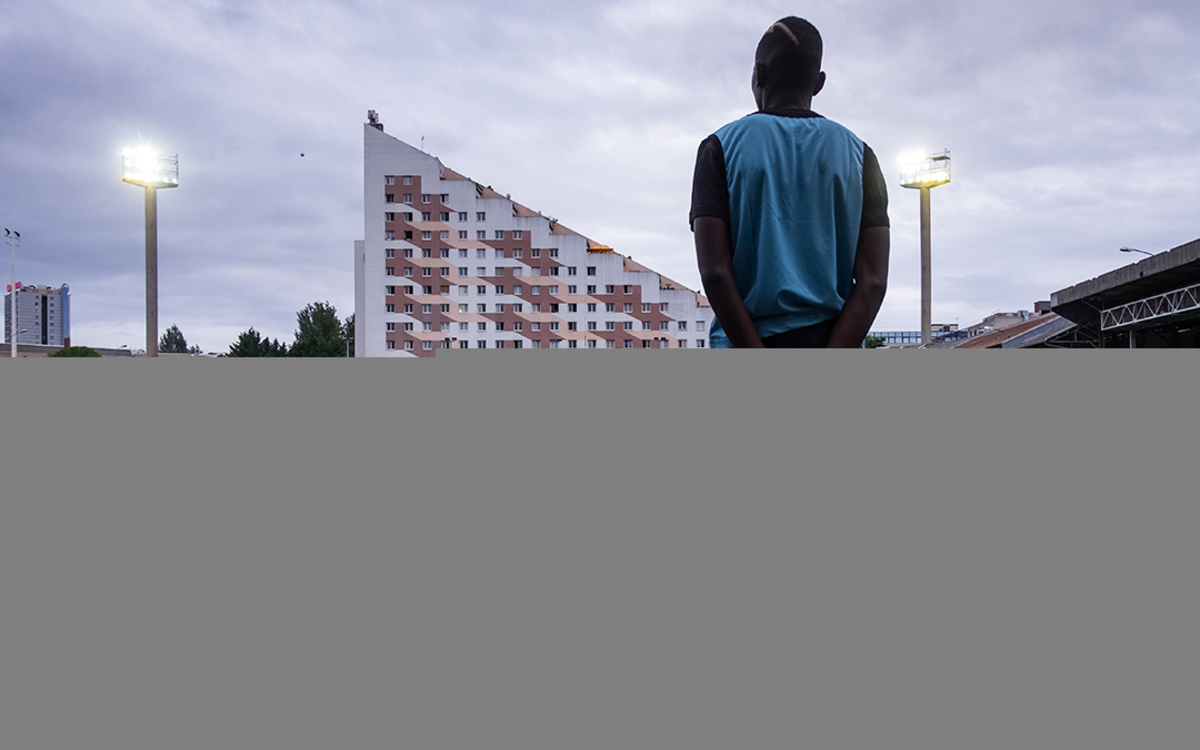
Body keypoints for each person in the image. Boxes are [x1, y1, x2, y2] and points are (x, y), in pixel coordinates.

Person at [690, 16, 890, 348]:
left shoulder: (719, 147)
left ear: (759, 73)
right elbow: (873, 281)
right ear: (819, 83)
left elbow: (715, 273)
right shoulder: (860, 155)